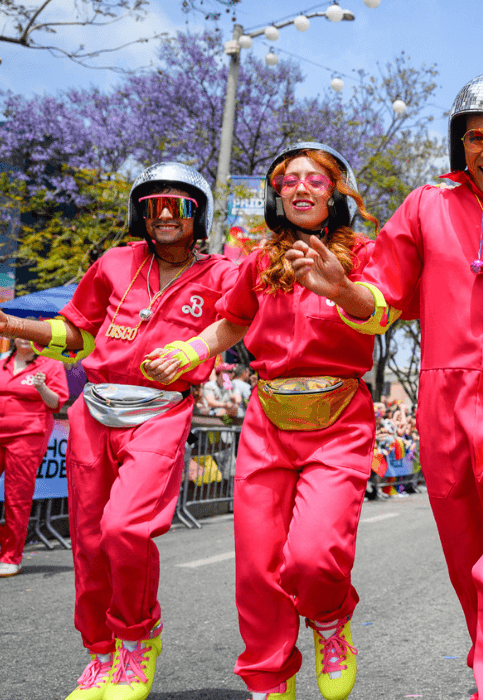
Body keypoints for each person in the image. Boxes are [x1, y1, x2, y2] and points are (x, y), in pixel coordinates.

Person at [286, 75, 483, 700]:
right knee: (467, 565)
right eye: (478, 138)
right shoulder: (425, 205)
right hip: (442, 407)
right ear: (460, 142)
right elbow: (383, 300)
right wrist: (341, 289)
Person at [143, 143, 380, 700]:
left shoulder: (366, 253)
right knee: (255, 568)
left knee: (315, 555)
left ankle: (328, 619)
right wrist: (190, 350)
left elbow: (379, 309)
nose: (301, 188)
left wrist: (341, 286)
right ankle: (270, 679)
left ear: (336, 192)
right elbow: (231, 323)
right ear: (277, 194)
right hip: (267, 420)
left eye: (316, 181)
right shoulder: (259, 261)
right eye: (289, 180)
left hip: (340, 420)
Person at [0, 162, 236, 700]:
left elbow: (244, 317)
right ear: (141, 215)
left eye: (179, 204)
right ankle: (100, 654)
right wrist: (14, 325)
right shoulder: (113, 263)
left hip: (160, 412)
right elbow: (75, 336)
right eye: (154, 205)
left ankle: (137, 636)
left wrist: (195, 351)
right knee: (86, 543)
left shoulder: (222, 274)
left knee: (124, 530)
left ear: (199, 214)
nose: (166, 214)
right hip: (94, 411)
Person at [0, 336, 69, 577]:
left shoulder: (51, 365)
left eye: (32, 334)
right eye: (21, 333)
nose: (25, 339)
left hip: (27, 436)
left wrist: (41, 387)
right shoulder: (1, 362)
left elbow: (56, 403)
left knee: (16, 498)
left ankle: (10, 556)